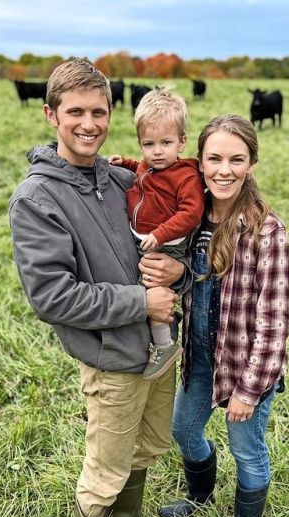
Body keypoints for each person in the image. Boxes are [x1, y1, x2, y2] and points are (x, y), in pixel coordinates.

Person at [8, 59, 192, 517]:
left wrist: (178, 270)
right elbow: (52, 296)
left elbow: (179, 229)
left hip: (158, 348)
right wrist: (142, 302)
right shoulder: (37, 199)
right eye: (76, 112)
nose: (89, 123)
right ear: (50, 115)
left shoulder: (121, 178)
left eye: (99, 111)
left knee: (150, 442)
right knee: (104, 467)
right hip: (112, 355)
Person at [159, 114, 289, 517]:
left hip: (243, 367)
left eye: (236, 159)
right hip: (199, 360)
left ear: (251, 163)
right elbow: (188, 287)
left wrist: (249, 390)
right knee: (183, 430)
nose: (224, 169)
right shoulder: (192, 222)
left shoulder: (266, 232)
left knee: (248, 450)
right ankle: (200, 495)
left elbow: (274, 323)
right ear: (199, 161)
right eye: (214, 158)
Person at [108, 88, 204, 380]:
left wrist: (161, 235)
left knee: (152, 287)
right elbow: (140, 168)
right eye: (149, 144)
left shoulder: (185, 176)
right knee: (140, 286)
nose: (157, 151)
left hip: (168, 245)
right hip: (147, 239)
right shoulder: (150, 165)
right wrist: (123, 162)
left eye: (166, 143)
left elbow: (191, 213)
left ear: (181, 143)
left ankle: (164, 345)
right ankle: (153, 334)